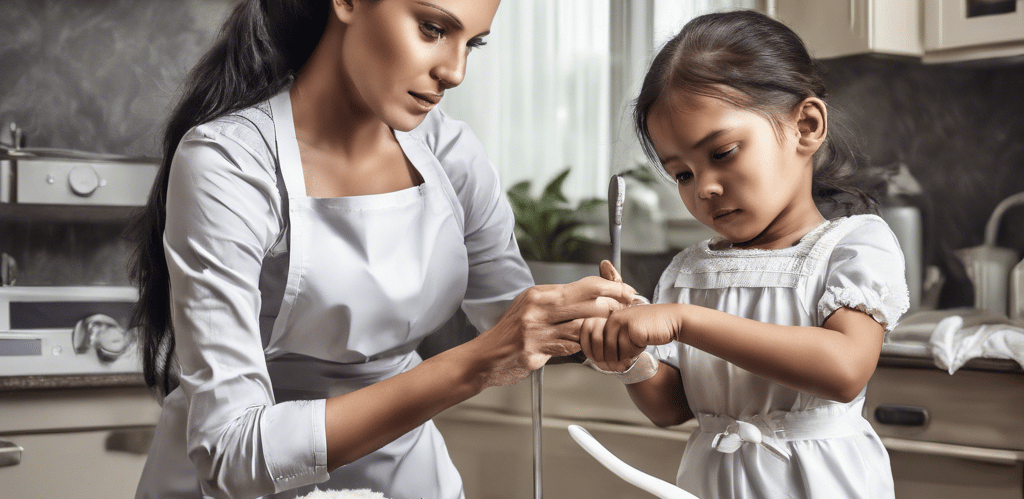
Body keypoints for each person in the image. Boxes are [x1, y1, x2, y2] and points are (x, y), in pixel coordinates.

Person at [127, 1, 637, 498]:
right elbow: (230, 455)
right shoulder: (230, 164)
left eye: (472, 44)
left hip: (409, 479)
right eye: (434, 29)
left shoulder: (450, 154)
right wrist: (474, 364)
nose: (455, 71)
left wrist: (592, 321)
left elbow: (513, 314)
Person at [579, 10, 909, 499]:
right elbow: (672, 409)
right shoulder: (689, 271)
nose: (704, 188)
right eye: (682, 174)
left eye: (723, 152)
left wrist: (684, 321)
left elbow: (843, 369)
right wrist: (632, 359)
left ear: (807, 126)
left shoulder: (854, 246)